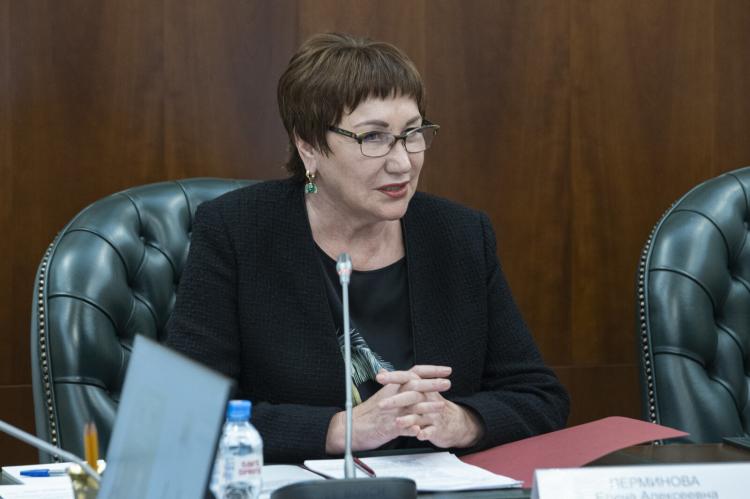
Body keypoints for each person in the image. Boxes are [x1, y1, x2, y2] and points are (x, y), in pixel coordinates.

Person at [166, 32, 569, 463]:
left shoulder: (459, 234)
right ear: (308, 145)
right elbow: (186, 415)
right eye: (373, 138)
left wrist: (462, 421)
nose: (403, 162)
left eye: (413, 133)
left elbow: (540, 397)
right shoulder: (236, 231)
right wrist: (341, 430)